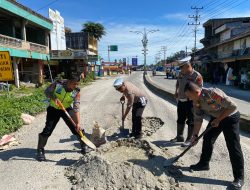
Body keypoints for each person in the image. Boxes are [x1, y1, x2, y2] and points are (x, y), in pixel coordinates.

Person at [184, 82, 244, 190]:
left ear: (197, 92)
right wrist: (195, 136)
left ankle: (239, 178)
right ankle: (204, 164)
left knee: (233, 146)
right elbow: (198, 119)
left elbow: (233, 107)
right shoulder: (196, 101)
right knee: (207, 138)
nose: (189, 99)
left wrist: (219, 120)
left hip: (230, 117)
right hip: (216, 118)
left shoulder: (212, 93)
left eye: (189, 96)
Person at [36, 75, 88, 161]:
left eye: (77, 84)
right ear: (68, 81)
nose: (75, 86)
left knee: (76, 127)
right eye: (74, 84)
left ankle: (84, 145)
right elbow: (47, 92)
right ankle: (40, 150)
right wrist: (54, 97)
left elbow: (76, 108)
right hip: (53, 109)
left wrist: (78, 122)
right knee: (48, 129)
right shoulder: (58, 84)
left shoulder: (76, 91)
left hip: (66, 109)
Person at [170, 60, 203, 147]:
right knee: (180, 119)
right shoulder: (181, 73)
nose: (180, 69)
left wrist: (196, 102)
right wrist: (176, 91)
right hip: (181, 100)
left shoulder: (196, 76)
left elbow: (199, 90)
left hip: (191, 102)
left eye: (181, 67)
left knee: (191, 121)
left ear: (188, 66)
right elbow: (178, 82)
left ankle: (189, 139)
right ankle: (179, 137)